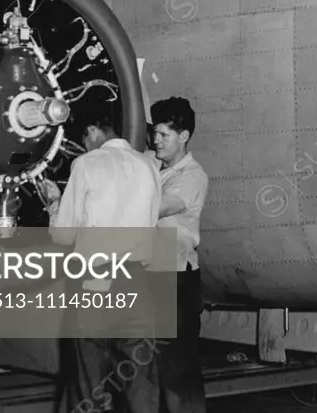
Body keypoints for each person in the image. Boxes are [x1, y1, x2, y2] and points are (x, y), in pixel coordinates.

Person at [39, 114, 163, 413]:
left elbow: (64, 235)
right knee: (141, 380)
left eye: (84, 140)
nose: (84, 147)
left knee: (89, 380)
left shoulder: (86, 164)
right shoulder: (149, 166)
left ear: (93, 131)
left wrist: (54, 203)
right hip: (136, 280)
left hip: (96, 280)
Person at [145, 97, 210, 413]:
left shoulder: (191, 177)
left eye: (163, 135)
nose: (155, 141)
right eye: (154, 134)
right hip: (152, 279)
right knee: (151, 371)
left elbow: (155, 208)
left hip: (176, 282)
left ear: (183, 136)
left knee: (177, 371)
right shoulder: (154, 166)